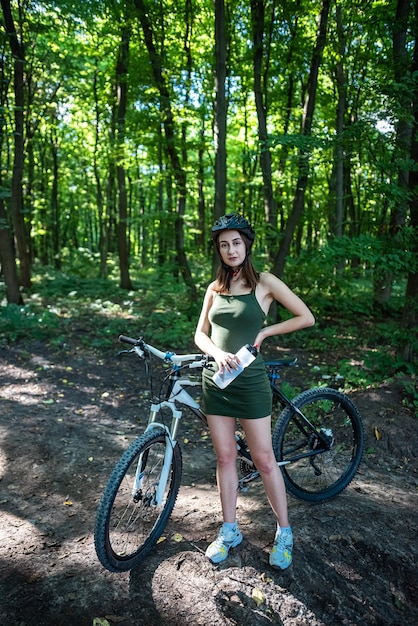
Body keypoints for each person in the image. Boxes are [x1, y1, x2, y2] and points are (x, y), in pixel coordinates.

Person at [194, 213, 315, 569]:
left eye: (235, 242)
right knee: (226, 457)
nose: (230, 249)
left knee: (263, 460)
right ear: (218, 250)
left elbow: (305, 317)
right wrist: (216, 353)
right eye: (223, 244)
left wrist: (264, 334)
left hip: (250, 382)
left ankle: (284, 533)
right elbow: (200, 334)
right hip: (216, 381)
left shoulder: (264, 283)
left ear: (246, 244)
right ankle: (229, 530)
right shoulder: (214, 289)